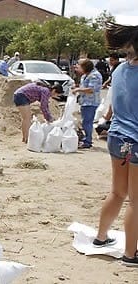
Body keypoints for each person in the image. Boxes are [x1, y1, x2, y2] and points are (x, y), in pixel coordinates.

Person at [93, 22, 138, 267]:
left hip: (117, 137)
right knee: (136, 201)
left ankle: (101, 237)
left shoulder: (119, 70)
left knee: (117, 192)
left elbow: (113, 105)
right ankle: (131, 255)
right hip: (136, 140)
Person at [72, 58, 103, 149]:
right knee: (85, 121)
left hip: (91, 102)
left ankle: (87, 141)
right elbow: (84, 87)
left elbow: (91, 89)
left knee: (87, 122)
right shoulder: (85, 76)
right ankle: (86, 139)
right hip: (84, 102)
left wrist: (78, 89)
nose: (77, 67)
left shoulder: (95, 76)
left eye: (79, 65)